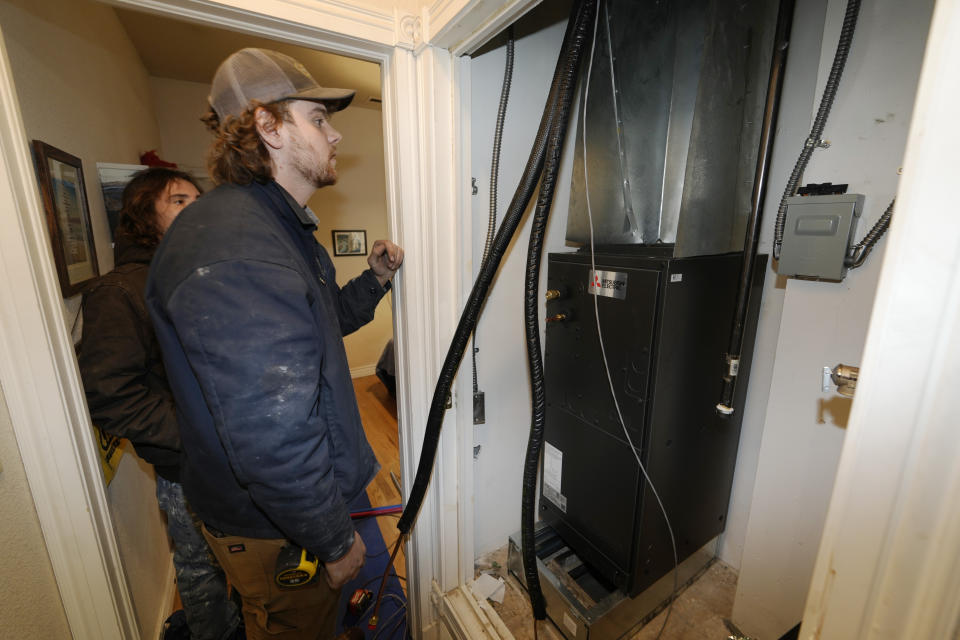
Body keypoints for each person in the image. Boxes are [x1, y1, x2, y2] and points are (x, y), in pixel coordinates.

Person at [146, 48, 404, 640]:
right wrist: (334, 539)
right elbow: (272, 436)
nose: (335, 133)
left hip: (298, 507)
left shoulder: (277, 227)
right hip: (277, 526)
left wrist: (377, 280)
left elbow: (321, 324)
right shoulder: (238, 249)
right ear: (268, 127)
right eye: (317, 117)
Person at [78, 167, 243, 640]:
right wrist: (197, 435)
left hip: (228, 453)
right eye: (178, 201)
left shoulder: (193, 274)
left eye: (198, 199)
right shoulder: (119, 291)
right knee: (200, 568)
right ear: (143, 217)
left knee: (238, 556)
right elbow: (110, 396)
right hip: (186, 465)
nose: (196, 208)